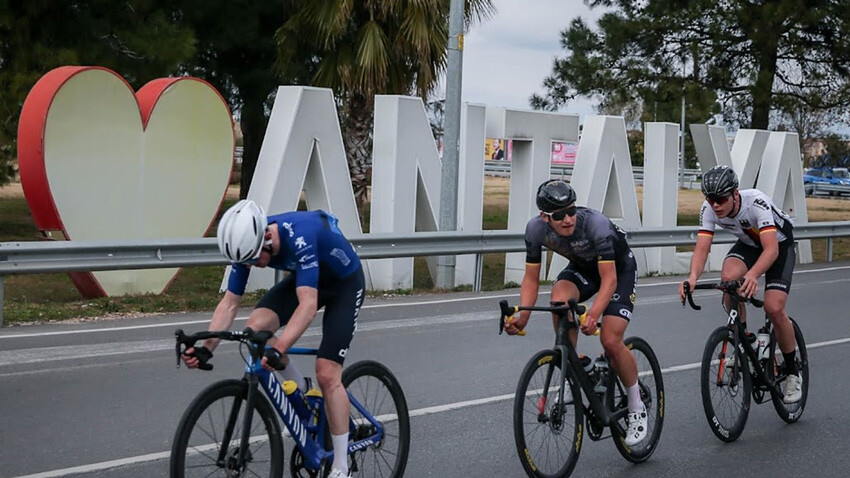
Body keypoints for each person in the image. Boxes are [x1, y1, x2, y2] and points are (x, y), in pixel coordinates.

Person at [181, 199, 365, 478]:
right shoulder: (249, 244)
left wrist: (279, 348)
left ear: (267, 236)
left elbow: (308, 307)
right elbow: (230, 303)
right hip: (307, 278)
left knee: (327, 375)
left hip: (344, 284)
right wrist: (207, 348)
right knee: (256, 329)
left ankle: (341, 467)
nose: (252, 265)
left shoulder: (300, 235)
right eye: (246, 262)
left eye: (255, 259)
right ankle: (301, 389)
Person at [504, 179, 647, 446]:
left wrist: (594, 314)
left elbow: (609, 281)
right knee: (559, 299)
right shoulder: (535, 230)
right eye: (559, 215)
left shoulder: (596, 224)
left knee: (611, 341)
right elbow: (531, 279)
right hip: (583, 269)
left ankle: (636, 405)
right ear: (544, 217)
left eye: (571, 211)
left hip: (618, 270)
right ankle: (575, 367)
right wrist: (522, 316)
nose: (568, 219)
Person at [677, 165, 801, 403]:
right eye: (710, 199)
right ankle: (745, 339)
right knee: (728, 282)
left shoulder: (756, 202)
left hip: (778, 247)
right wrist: (692, 277)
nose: (715, 205)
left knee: (774, 308)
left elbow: (771, 249)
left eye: (720, 199)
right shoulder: (710, 209)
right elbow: (702, 249)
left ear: (735, 194)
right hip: (750, 244)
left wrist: (753, 276)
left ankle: (793, 372)